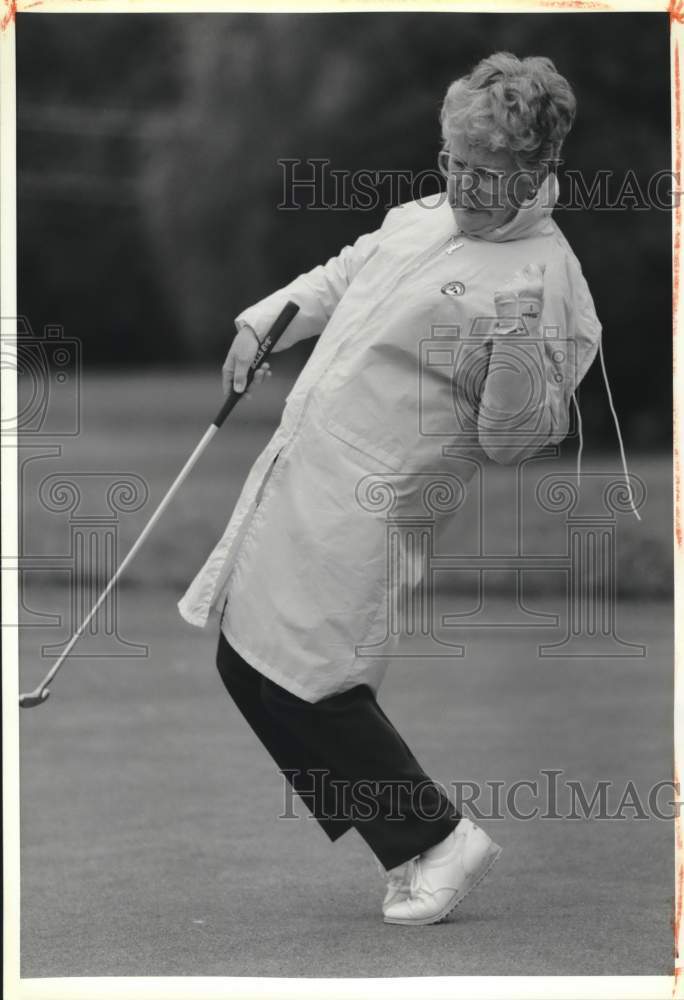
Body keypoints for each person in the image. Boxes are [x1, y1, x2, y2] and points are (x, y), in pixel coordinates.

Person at [178, 52, 637, 926]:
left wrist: (512, 356)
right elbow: (346, 272)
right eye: (451, 163)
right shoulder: (422, 216)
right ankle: (412, 841)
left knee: (313, 677)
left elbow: (515, 439)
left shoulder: (549, 285)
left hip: (381, 498)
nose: (462, 186)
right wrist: (262, 323)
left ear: (535, 173)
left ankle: (440, 839)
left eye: (485, 173)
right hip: (304, 464)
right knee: (247, 659)